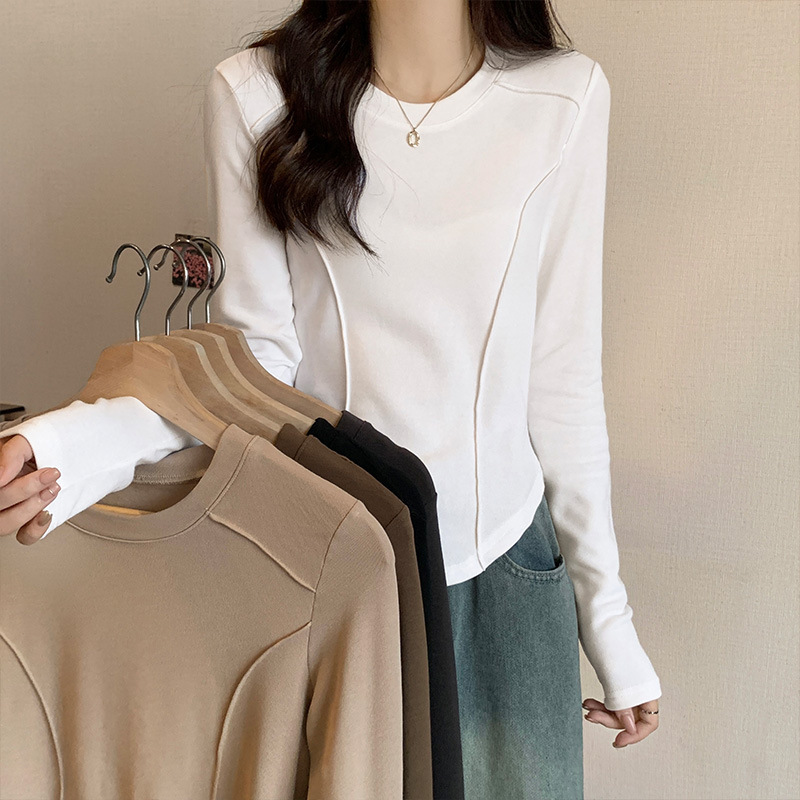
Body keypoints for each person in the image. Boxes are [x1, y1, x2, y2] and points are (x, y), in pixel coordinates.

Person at [0, 1, 661, 797]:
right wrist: (71, 450)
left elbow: (560, 375)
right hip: (335, 567)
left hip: (507, 571)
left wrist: (609, 625)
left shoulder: (566, 97)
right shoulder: (256, 94)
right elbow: (249, 369)